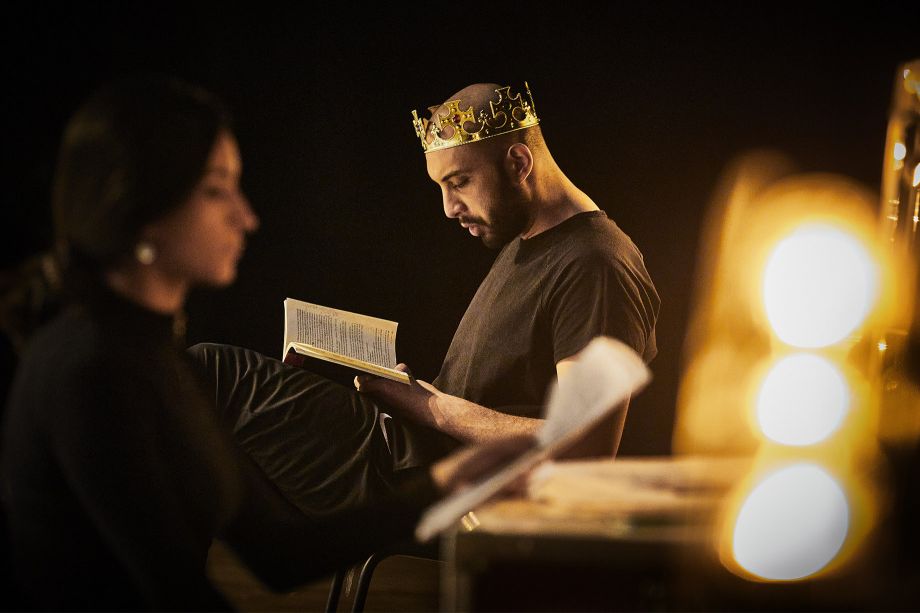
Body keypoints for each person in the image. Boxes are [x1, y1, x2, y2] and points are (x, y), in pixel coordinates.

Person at [0, 77, 527, 610]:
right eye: (216, 190)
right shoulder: (89, 366)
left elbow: (280, 553)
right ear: (144, 210)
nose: (246, 217)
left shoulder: (150, 357)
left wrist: (445, 482)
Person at [190, 82, 659, 511]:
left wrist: (427, 405)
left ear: (519, 164)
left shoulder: (595, 262)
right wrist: (407, 394)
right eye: (442, 187)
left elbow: (585, 450)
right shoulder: (530, 240)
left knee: (212, 372)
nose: (449, 208)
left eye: (459, 182)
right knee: (211, 416)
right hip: (406, 453)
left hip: (431, 480)